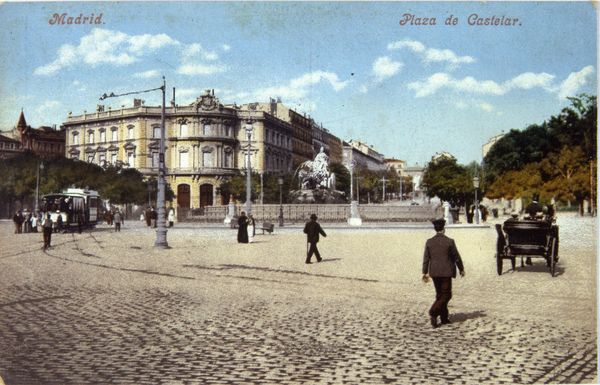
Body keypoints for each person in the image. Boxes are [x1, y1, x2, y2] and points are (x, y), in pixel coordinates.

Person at [422, 218, 465, 328]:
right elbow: (456, 257)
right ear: (444, 229)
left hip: (434, 272)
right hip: (446, 272)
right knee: (447, 294)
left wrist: (424, 272)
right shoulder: (449, 241)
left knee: (440, 295)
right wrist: (461, 269)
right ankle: (433, 312)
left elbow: (426, 258)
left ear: (435, 229)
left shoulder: (429, 241)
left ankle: (444, 318)